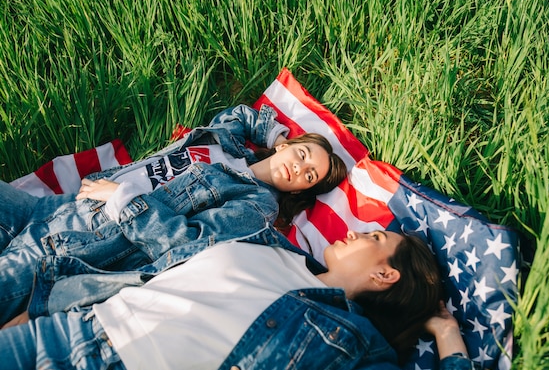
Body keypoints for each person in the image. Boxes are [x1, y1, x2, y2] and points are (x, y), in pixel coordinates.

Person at [0, 230, 485, 370]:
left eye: (376, 239)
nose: (359, 232)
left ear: (386, 276)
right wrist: (51, 304)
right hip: (66, 334)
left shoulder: (350, 344)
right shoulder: (269, 240)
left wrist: (446, 333)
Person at [0, 104, 347, 326]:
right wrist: (273, 131)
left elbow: (186, 243)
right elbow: (240, 115)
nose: (298, 168)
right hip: (56, 207)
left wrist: (122, 198)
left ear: (301, 190)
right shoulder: (229, 142)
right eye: (301, 154)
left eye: (309, 175)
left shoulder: (257, 206)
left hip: (78, 241)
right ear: (285, 146)